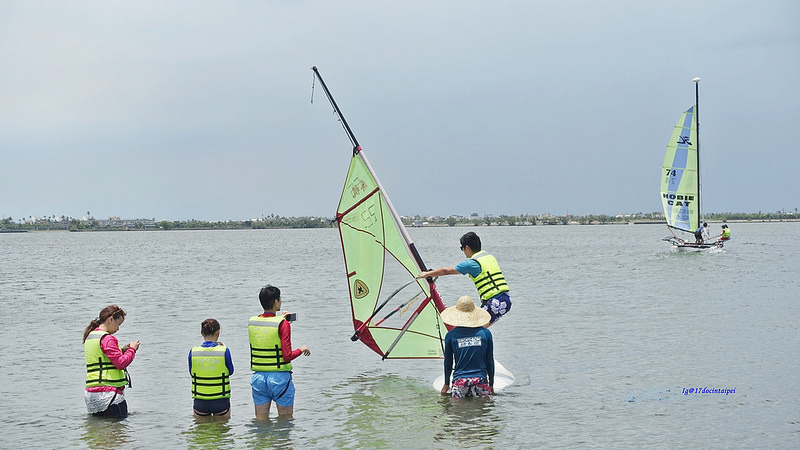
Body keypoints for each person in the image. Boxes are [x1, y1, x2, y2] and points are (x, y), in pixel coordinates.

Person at [417, 231, 511, 326]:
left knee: (472, 330)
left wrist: (427, 274)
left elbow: (446, 271)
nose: (463, 251)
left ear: (467, 247)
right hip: (505, 298)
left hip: (495, 302)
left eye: (462, 248)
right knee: (476, 328)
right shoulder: (489, 257)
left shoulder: (471, 263)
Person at [249, 285, 311, 419]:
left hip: (258, 378)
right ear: (276, 301)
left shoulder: (253, 322)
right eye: (280, 298)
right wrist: (302, 349)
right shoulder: (283, 324)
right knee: (285, 421)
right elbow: (287, 356)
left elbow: (267, 332)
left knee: (261, 421)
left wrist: (280, 319)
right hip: (279, 379)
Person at [83, 305, 139, 418]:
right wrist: (132, 349)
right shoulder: (107, 338)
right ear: (111, 319)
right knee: (118, 430)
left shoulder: (91, 336)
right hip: (109, 394)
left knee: (97, 431)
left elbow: (101, 358)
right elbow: (120, 363)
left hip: (92, 394)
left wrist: (121, 350)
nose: (118, 329)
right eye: (118, 324)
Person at [440, 295, 494, 398]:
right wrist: (491, 384)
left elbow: (448, 362)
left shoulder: (450, 336)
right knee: (483, 411)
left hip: (460, 382)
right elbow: (489, 360)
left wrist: (446, 384)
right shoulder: (486, 334)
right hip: (480, 381)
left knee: (458, 412)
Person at [188, 318, 234, 419]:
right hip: (220, 401)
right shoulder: (224, 351)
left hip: (200, 402)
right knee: (221, 432)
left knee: (202, 433)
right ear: (218, 332)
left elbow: (192, 373)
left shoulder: (193, 352)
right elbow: (230, 371)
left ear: (202, 333)